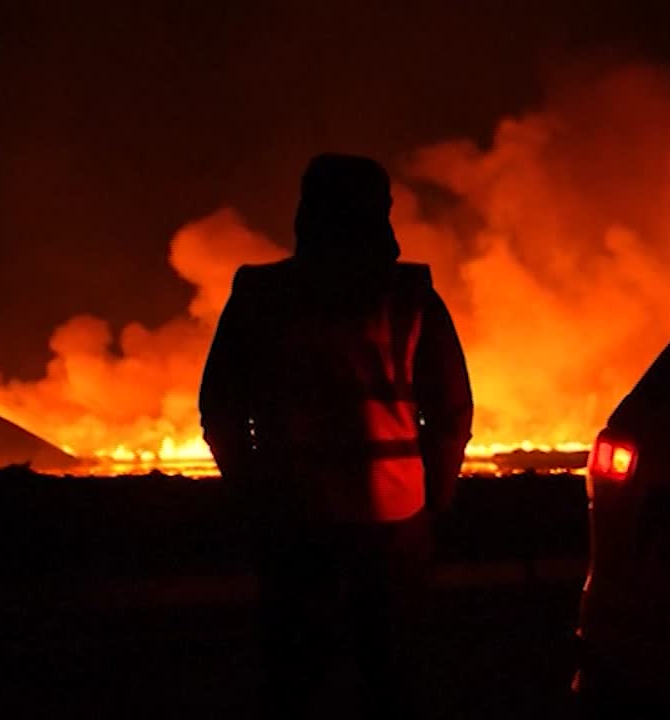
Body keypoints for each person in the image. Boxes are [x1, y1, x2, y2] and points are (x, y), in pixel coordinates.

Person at [199, 153, 473, 719]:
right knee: (392, 673)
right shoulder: (410, 294)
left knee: (295, 673)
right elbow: (451, 409)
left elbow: (220, 407)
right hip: (395, 514)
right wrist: (435, 495)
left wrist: (251, 490)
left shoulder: (260, 295)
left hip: (293, 516)